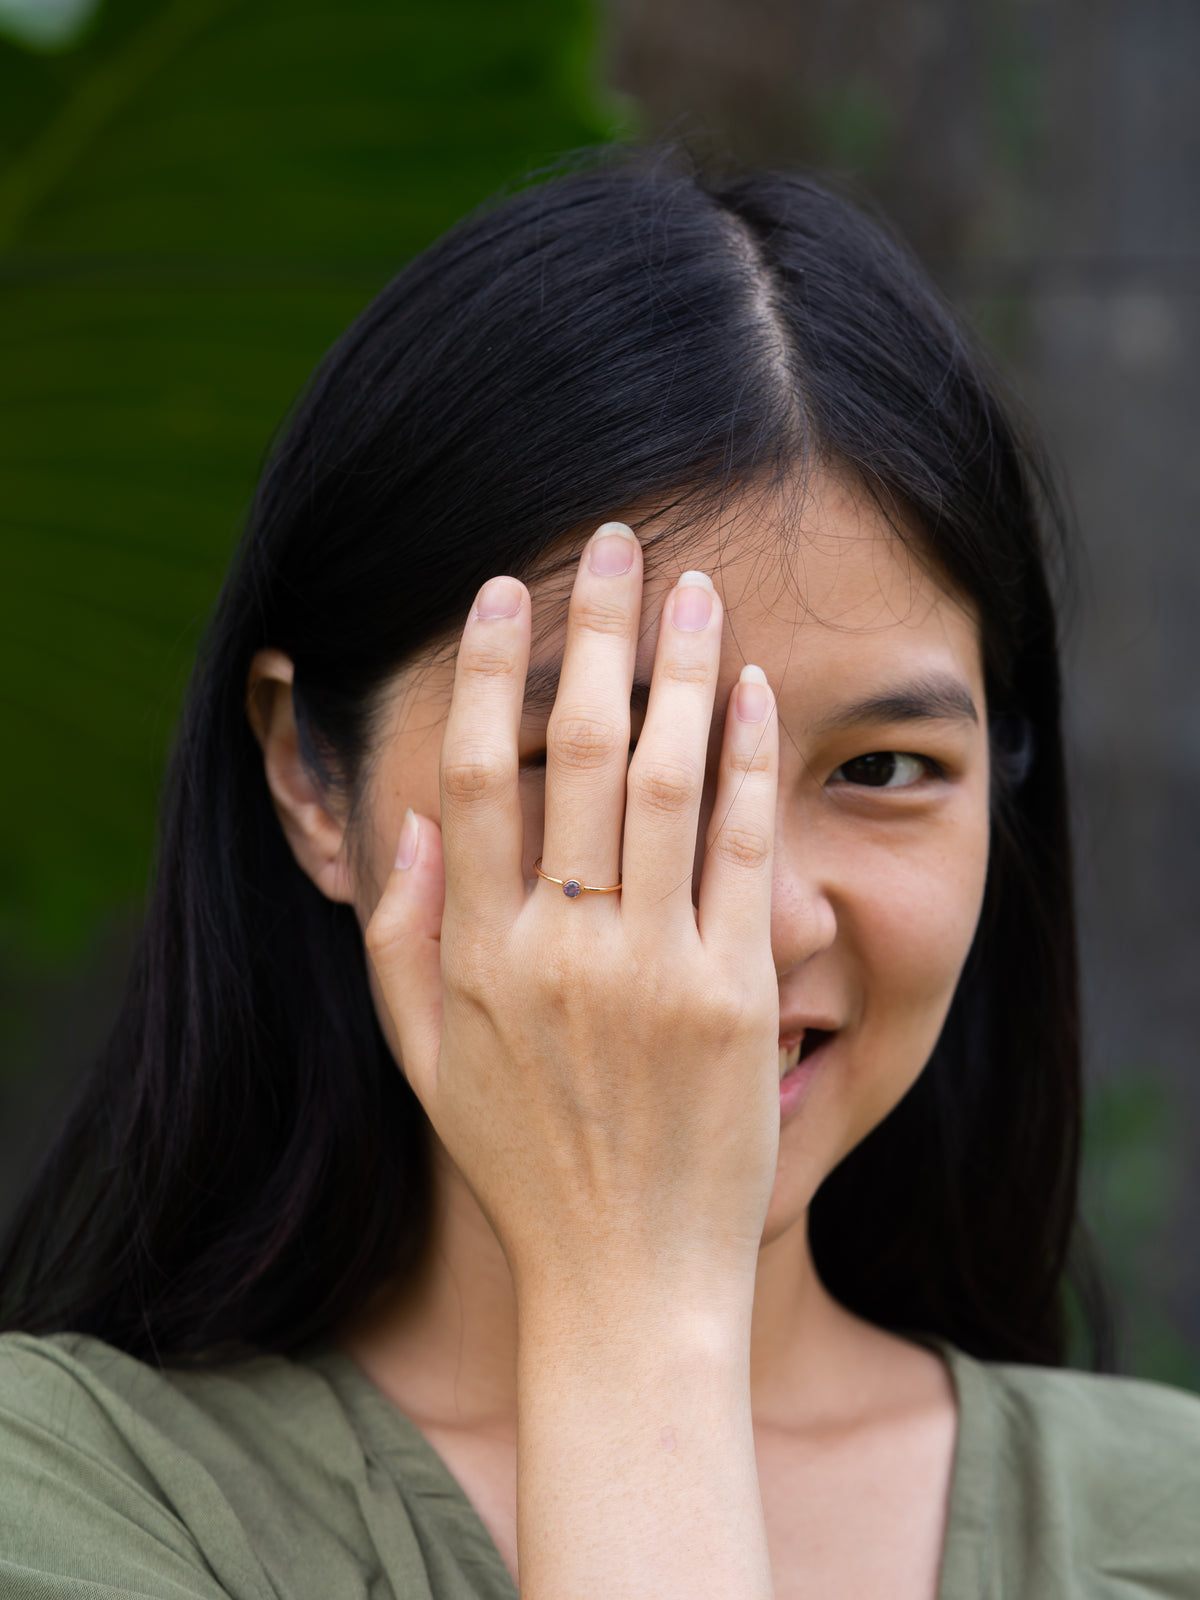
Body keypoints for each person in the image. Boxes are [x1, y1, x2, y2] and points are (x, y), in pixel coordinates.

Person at [0, 148, 1196, 1600]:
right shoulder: (68, 1490)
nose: (750, 923)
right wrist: (634, 1303)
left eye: (882, 771)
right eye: (593, 764)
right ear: (315, 780)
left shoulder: (1164, 1520)